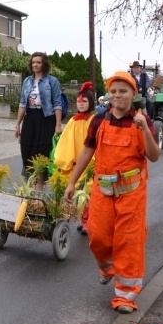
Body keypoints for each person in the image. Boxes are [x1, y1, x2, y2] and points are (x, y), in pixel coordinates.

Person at [64, 71, 160, 314]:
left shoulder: (141, 122)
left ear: (133, 94)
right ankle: (107, 268)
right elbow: (87, 152)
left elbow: (154, 156)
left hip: (132, 192)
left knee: (129, 241)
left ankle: (126, 296)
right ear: (109, 94)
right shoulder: (98, 120)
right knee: (97, 234)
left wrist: (145, 130)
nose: (118, 95)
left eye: (123, 91)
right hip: (103, 189)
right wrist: (72, 182)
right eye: (114, 91)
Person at [15, 52, 64, 189]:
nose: (35, 65)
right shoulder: (27, 81)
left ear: (44, 64)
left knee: (42, 152)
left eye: (38, 62)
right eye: (33, 62)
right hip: (30, 118)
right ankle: (30, 185)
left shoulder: (52, 81)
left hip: (46, 119)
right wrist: (17, 125)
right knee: (26, 149)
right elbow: (22, 103)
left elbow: (57, 103)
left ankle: (39, 188)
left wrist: (58, 125)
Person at [52, 81, 95, 235]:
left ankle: (88, 221)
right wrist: (64, 160)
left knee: (89, 192)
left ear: (90, 103)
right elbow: (66, 142)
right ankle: (84, 219)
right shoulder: (72, 121)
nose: (81, 104)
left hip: (90, 163)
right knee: (78, 193)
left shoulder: (93, 121)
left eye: (84, 101)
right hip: (76, 163)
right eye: (79, 102)